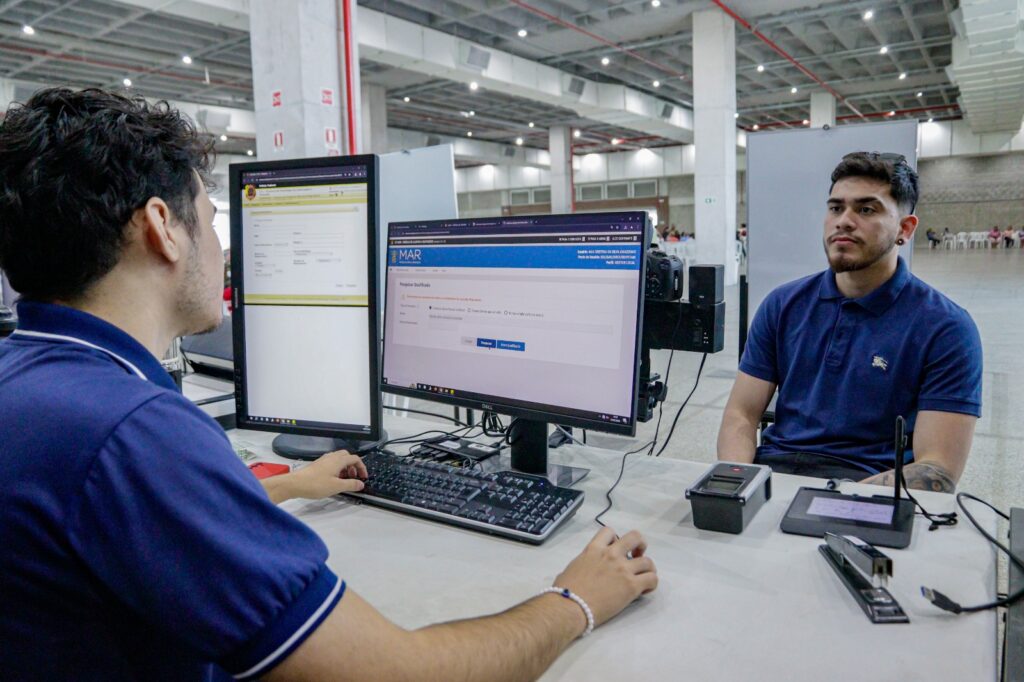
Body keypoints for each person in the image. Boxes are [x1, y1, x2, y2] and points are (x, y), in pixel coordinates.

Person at [0, 88, 658, 681]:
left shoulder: (30, 380)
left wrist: (288, 486)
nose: (222, 249)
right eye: (210, 218)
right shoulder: (133, 433)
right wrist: (576, 601)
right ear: (162, 228)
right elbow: (400, 676)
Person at [716, 151, 982, 492]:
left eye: (866, 209)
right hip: (773, 477)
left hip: (871, 490)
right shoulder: (783, 305)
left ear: (905, 228)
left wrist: (835, 501)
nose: (844, 220)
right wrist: (737, 482)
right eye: (835, 207)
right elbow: (741, 414)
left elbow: (938, 468)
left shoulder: (946, 328)